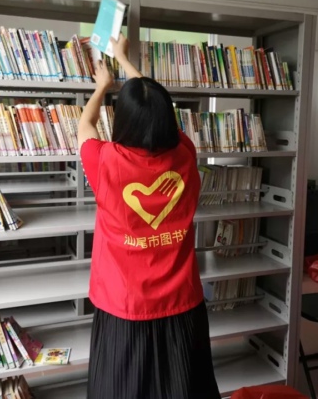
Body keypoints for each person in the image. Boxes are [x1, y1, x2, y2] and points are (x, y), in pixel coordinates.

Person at [78, 34, 221, 399]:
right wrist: (126, 61)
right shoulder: (186, 153)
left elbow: (85, 126)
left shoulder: (105, 161)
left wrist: (102, 86)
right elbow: (155, 108)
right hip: (182, 304)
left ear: (123, 122)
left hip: (125, 308)